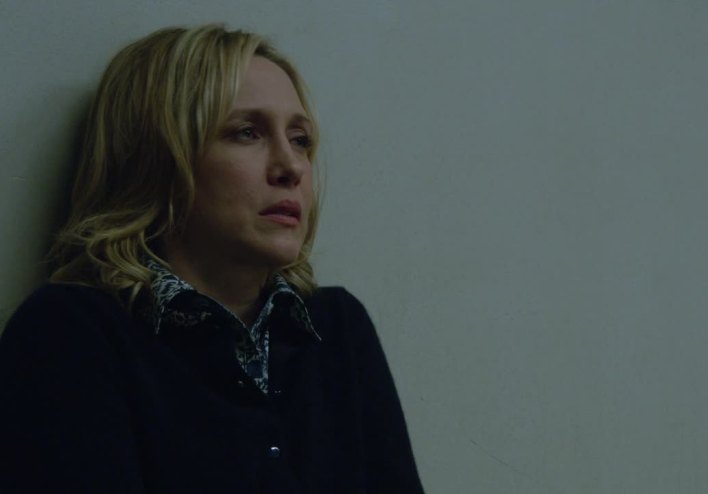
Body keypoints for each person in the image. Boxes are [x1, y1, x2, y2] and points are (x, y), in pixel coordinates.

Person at [0, 25, 424, 493]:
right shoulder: (70, 332)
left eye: (300, 139)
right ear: (158, 158)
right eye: (247, 133)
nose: (291, 167)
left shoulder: (336, 326)